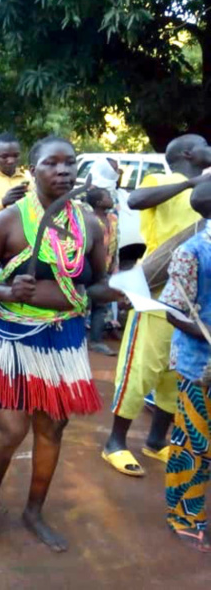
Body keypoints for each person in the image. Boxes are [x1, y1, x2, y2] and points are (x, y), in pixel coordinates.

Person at [0, 136, 117, 553]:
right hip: (15, 336)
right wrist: (7, 293)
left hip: (64, 339)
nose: (63, 171)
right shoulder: (9, 221)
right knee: (11, 430)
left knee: (51, 427)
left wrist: (115, 293)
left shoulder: (88, 224)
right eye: (52, 163)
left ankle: (34, 511)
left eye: (69, 163)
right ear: (34, 170)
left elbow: (98, 283)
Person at [102, 135, 211, 477]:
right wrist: (191, 183)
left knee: (171, 371)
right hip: (154, 287)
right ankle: (115, 443)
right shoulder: (159, 180)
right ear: (188, 153)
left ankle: (156, 440)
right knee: (140, 366)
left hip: (192, 290)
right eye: (205, 144)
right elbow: (135, 199)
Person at [159, 181, 211, 552]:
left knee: (191, 439)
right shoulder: (191, 253)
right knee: (198, 442)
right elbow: (174, 312)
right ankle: (185, 516)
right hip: (199, 364)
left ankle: (181, 507)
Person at [86, 187, 118, 356]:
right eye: (107, 196)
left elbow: (115, 243)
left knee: (101, 305)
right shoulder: (89, 220)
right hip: (89, 268)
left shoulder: (112, 219)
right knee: (83, 303)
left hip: (104, 268)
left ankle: (96, 340)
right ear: (98, 202)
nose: (111, 198)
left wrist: (114, 265)